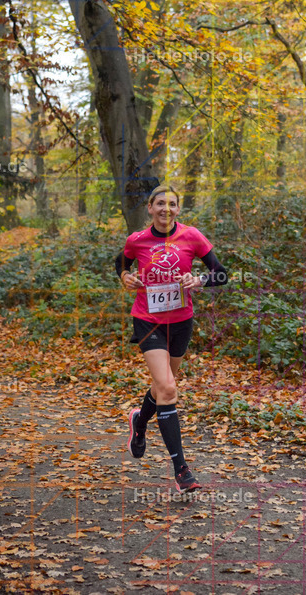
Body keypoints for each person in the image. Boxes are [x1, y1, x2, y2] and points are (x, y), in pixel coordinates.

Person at [115, 184, 228, 492]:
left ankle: (140, 421)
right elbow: (121, 264)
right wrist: (126, 277)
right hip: (147, 321)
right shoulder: (136, 240)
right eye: (160, 203)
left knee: (162, 388)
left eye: (172, 204)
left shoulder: (192, 237)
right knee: (167, 387)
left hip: (181, 323)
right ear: (150, 208)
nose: (166, 209)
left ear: (179, 210)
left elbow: (221, 272)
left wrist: (200, 279)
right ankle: (181, 470)